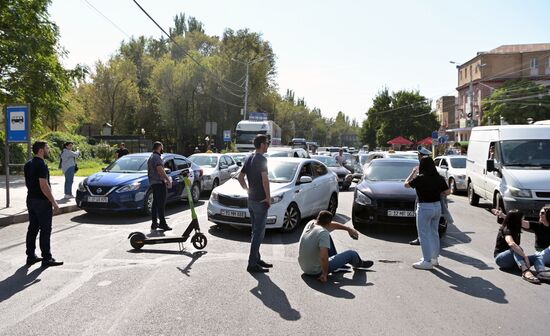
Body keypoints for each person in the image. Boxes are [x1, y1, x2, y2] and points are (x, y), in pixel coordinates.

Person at [298, 210, 373, 283]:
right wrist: (324, 274)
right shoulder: (323, 233)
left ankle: (338, 265)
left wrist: (348, 229)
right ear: (328, 223)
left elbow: (331, 225)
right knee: (352, 254)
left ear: (318, 218)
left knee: (326, 237)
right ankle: (360, 263)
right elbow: (323, 257)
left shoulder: (311, 223)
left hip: (304, 268)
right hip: (316, 270)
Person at [405, 156, 450, 269]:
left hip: (425, 208)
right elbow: (448, 192)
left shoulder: (420, 178)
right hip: (437, 207)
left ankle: (427, 261)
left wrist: (413, 173)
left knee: (423, 235)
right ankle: (434, 259)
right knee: (434, 233)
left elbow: (406, 184)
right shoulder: (439, 178)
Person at [24, 141, 63, 268]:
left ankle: (30, 256)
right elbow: (43, 185)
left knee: (33, 228)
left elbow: (29, 183)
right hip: (41, 201)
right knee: (45, 230)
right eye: (47, 148)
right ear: (41, 150)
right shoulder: (41, 165)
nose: (49, 150)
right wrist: (54, 202)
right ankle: (47, 258)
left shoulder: (28, 164)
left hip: (31, 199)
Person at [238, 134, 272, 273]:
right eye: (267, 143)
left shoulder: (249, 158)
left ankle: (257, 259)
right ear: (262, 144)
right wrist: (268, 198)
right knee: (258, 233)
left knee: (255, 231)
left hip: (251, 200)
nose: (268, 145)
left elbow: (240, 178)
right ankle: (252, 264)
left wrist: (248, 191)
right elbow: (265, 180)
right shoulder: (262, 159)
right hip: (260, 201)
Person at [492, 206, 550, 279]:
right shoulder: (507, 229)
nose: (523, 220)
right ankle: (525, 271)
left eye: (542, 213)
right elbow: (511, 244)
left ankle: (541, 273)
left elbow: (512, 219)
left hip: (513, 261)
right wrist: (525, 257)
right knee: (516, 248)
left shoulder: (516, 230)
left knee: (537, 257)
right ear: (516, 220)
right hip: (501, 260)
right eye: (521, 218)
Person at [148, 141, 172, 231]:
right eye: (162, 147)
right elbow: (160, 169)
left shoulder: (151, 157)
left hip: (153, 183)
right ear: (159, 147)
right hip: (159, 183)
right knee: (161, 204)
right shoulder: (157, 157)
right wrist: (167, 179)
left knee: (155, 204)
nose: (163, 149)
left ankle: (154, 223)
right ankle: (162, 223)